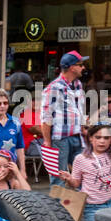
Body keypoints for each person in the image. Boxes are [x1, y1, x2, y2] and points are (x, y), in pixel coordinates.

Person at [40, 51, 89, 191]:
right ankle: (56, 210)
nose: (83, 68)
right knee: (59, 177)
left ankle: (82, 209)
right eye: (81, 65)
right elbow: (46, 117)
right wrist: (48, 141)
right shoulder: (53, 88)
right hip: (60, 138)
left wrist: (83, 127)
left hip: (77, 136)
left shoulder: (78, 84)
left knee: (82, 174)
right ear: (72, 67)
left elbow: (79, 110)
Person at [62, 122, 111, 221]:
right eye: (98, 137)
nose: (102, 141)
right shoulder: (81, 159)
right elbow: (76, 183)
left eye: (106, 138)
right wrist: (69, 179)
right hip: (91, 205)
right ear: (90, 138)